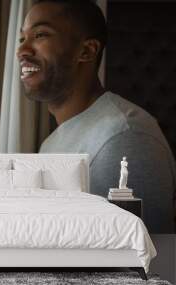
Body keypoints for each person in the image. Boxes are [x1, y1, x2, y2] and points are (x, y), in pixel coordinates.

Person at [17, 0, 175, 233]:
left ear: (86, 51)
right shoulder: (51, 142)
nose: (22, 50)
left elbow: (143, 259)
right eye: (22, 38)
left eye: (40, 35)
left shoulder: (125, 139)